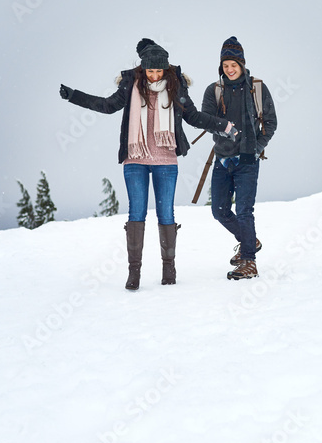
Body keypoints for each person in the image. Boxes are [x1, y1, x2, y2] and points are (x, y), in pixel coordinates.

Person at [59, 39, 235, 291]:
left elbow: (194, 117)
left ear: (165, 69)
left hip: (166, 160)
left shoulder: (176, 87)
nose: (154, 76)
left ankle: (169, 269)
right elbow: (108, 106)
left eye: (158, 71)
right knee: (136, 214)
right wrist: (74, 96)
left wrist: (224, 125)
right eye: (149, 71)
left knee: (166, 215)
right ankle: (134, 272)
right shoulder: (131, 85)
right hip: (135, 160)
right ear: (142, 69)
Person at [201, 37, 277, 280]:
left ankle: (249, 262)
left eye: (233, 65)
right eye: (225, 66)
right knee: (219, 210)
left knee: (244, 211)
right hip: (222, 159)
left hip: (247, 158)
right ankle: (248, 241)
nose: (229, 70)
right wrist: (223, 127)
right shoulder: (214, 90)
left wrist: (257, 147)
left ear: (242, 65)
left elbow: (271, 122)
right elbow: (205, 120)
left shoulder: (257, 88)